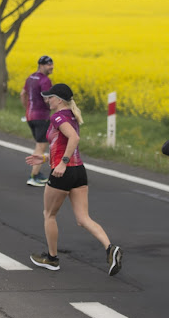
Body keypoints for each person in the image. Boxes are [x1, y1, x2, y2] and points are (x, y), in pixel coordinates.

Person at [26, 83, 123, 276]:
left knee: (49, 215)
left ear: (59, 100)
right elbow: (61, 143)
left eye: (50, 97)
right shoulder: (72, 116)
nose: (47, 100)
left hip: (64, 171)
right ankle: (110, 248)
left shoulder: (57, 116)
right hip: (79, 171)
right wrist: (45, 158)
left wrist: (61, 163)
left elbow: (74, 139)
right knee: (83, 218)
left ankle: (52, 259)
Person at [21, 55, 54, 187]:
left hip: (30, 116)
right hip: (41, 116)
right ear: (41, 65)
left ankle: (37, 173)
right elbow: (47, 99)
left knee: (38, 145)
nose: (51, 67)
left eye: (52, 64)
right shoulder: (45, 80)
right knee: (41, 146)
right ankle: (33, 176)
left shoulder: (31, 77)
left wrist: (26, 108)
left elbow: (22, 94)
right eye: (48, 65)